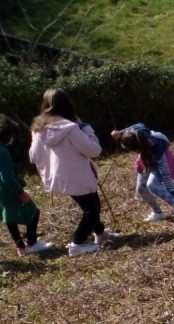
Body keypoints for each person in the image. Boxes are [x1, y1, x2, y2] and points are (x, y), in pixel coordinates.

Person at [28, 88, 114, 257]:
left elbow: (32, 156)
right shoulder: (70, 128)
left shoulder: (38, 129)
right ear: (67, 105)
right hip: (77, 175)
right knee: (92, 209)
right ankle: (76, 244)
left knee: (92, 204)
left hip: (59, 177)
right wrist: (87, 130)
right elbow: (94, 150)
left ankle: (101, 233)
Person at [110, 123, 174, 227]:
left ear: (137, 149)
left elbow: (165, 174)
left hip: (158, 159)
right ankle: (158, 213)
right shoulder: (136, 131)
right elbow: (139, 124)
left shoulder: (158, 148)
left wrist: (173, 193)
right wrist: (120, 133)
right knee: (141, 188)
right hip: (146, 159)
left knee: (152, 185)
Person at [0, 114, 53, 256]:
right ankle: (32, 243)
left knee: (8, 217)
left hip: (1, 192)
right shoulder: (3, 152)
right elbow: (7, 177)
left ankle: (20, 247)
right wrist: (20, 193)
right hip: (8, 190)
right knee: (34, 212)